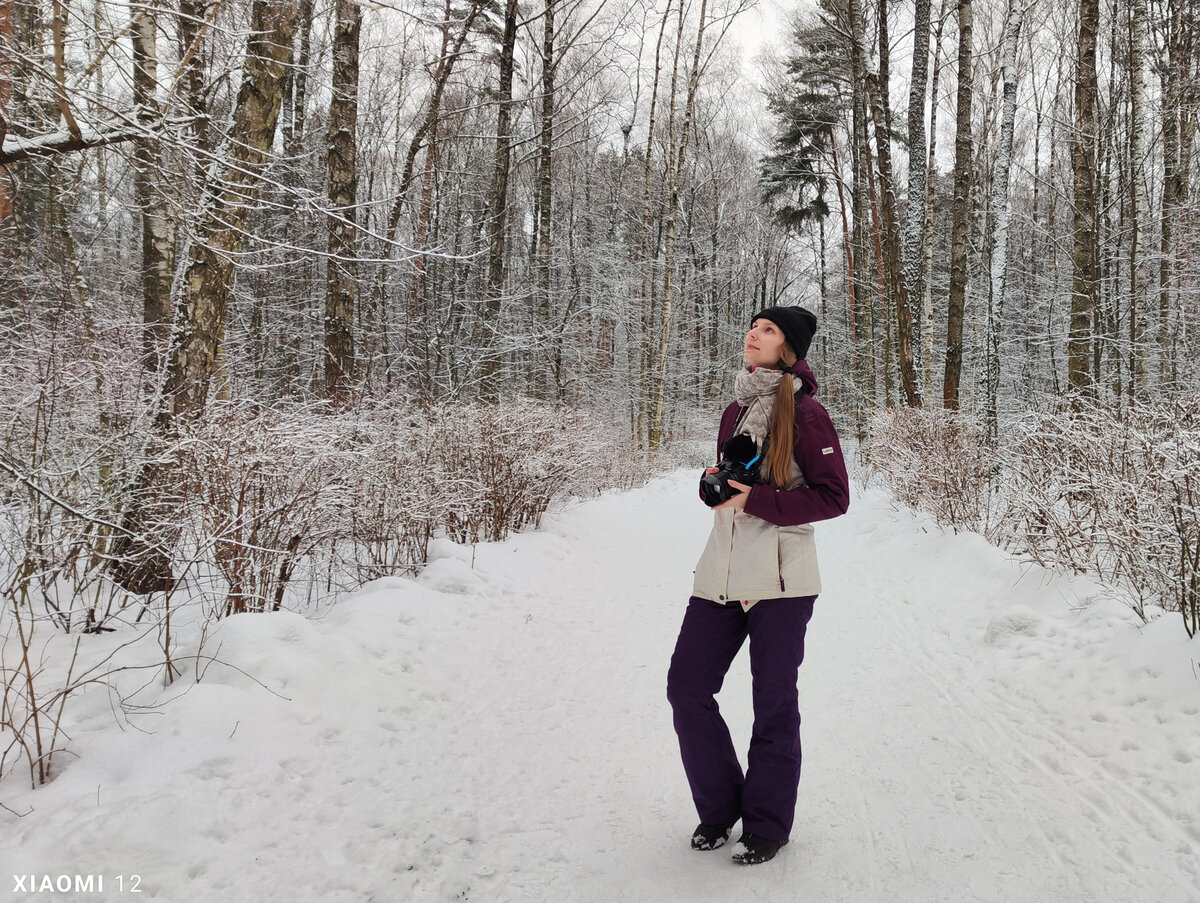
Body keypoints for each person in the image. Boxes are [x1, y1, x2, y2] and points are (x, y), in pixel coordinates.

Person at [666, 305, 850, 866]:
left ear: (788, 350)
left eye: (768, 330)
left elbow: (833, 496)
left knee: (772, 704)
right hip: (721, 568)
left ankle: (767, 825)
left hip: (781, 577)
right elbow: (734, 477)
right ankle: (720, 809)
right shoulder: (737, 408)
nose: (753, 332)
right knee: (687, 688)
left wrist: (753, 499)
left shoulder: (807, 413)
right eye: (753, 325)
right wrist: (715, 485)